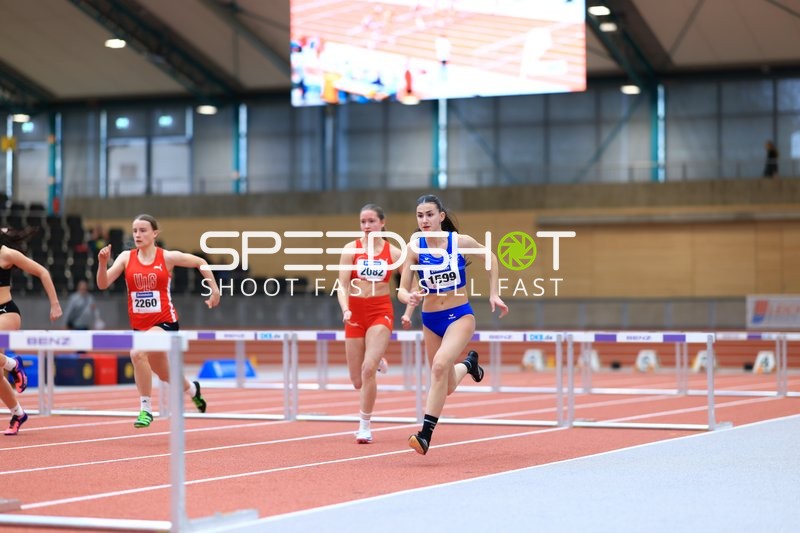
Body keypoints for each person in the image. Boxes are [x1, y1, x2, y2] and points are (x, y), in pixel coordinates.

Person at [398, 195, 508, 455]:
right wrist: (409, 297)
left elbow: (490, 257)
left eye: (429, 214)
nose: (424, 220)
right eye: (420, 215)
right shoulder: (414, 247)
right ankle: (469, 364)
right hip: (430, 319)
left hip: (459, 315)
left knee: (438, 367)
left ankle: (424, 435)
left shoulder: (459, 242)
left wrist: (494, 293)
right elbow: (402, 289)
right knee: (444, 384)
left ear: (441, 216)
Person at [96, 214, 221, 429]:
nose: (138, 234)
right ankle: (193, 389)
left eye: (143, 230)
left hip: (165, 323)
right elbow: (103, 283)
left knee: (136, 353)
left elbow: (201, 263)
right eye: (135, 230)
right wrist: (102, 263)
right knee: (165, 374)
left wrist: (215, 290)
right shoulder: (126, 258)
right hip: (140, 327)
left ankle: (145, 409)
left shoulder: (166, 258)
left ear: (155, 233)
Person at [336, 204, 405, 443]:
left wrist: (410, 305)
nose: (366, 227)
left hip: (380, 310)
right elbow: (342, 285)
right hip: (354, 312)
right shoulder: (350, 249)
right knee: (357, 380)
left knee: (367, 371)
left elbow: (408, 285)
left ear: (382, 223)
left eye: (371, 221)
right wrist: (345, 309)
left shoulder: (395, 253)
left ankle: (364, 425)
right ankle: (377, 361)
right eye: (363, 222)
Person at [0, 227, 62, 435]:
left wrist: (54, 304)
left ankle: (13, 363)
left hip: (6, 312)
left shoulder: (7, 253)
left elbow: (42, 271)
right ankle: (18, 413)